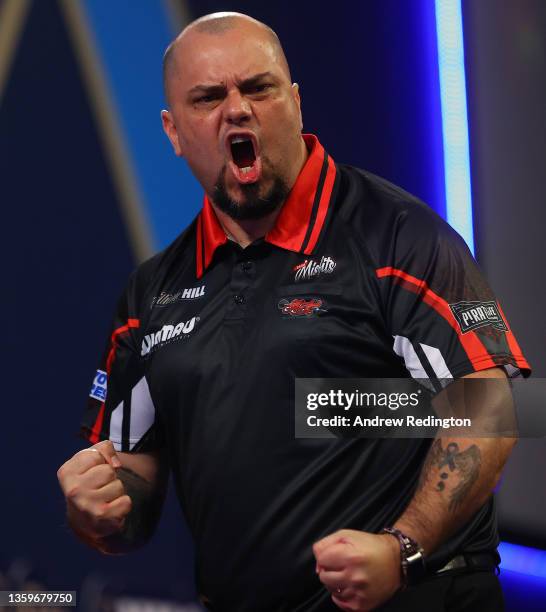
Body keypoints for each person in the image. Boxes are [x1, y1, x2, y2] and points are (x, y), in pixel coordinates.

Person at [57, 12, 530, 612]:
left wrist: (402, 550)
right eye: (208, 97)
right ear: (173, 132)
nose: (237, 110)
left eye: (258, 88)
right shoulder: (151, 294)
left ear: (296, 103)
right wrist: (95, 508)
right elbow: (131, 491)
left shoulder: (400, 239)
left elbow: (490, 404)